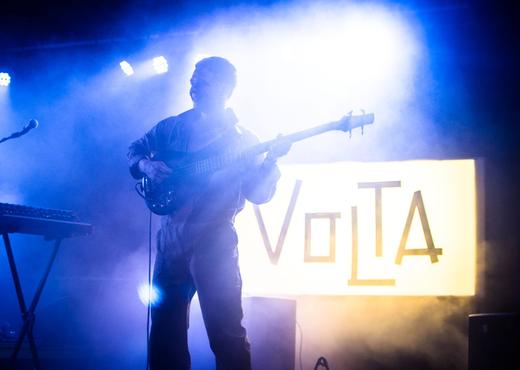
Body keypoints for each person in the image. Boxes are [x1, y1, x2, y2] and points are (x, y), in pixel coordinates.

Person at [127, 56, 289, 370]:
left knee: (226, 334)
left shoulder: (243, 140)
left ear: (227, 89)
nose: (194, 84)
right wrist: (146, 164)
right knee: (163, 334)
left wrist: (270, 162)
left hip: (215, 242)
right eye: (193, 78)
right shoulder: (171, 126)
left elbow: (259, 194)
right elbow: (134, 149)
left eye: (205, 79)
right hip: (171, 238)